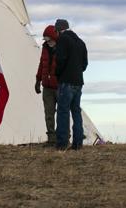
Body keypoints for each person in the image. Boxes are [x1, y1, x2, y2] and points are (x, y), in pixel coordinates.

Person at [53, 18, 87, 150]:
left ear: (59, 30)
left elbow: (60, 60)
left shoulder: (63, 40)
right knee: (76, 112)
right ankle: (78, 144)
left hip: (66, 82)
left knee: (63, 112)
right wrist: (77, 71)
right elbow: (85, 64)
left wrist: (58, 74)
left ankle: (62, 144)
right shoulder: (81, 42)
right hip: (78, 82)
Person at [34, 25, 59, 144]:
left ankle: (63, 137)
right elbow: (41, 65)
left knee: (62, 113)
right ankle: (51, 139)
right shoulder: (44, 48)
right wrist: (38, 80)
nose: (47, 42)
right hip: (47, 87)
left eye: (49, 39)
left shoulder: (62, 48)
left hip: (59, 86)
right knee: (49, 113)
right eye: (46, 39)